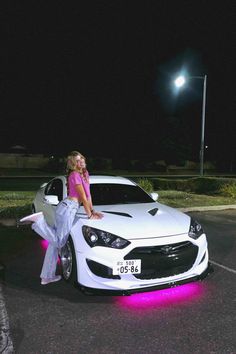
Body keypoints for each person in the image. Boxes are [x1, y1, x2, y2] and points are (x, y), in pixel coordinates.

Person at [20, 151, 103, 285]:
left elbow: (88, 195)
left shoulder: (85, 174)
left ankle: (47, 276)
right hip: (68, 208)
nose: (80, 161)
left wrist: (93, 211)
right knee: (60, 242)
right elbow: (82, 196)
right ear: (73, 164)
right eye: (77, 160)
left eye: (81, 158)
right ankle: (39, 222)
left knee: (53, 244)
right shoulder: (75, 174)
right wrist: (89, 214)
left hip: (67, 207)